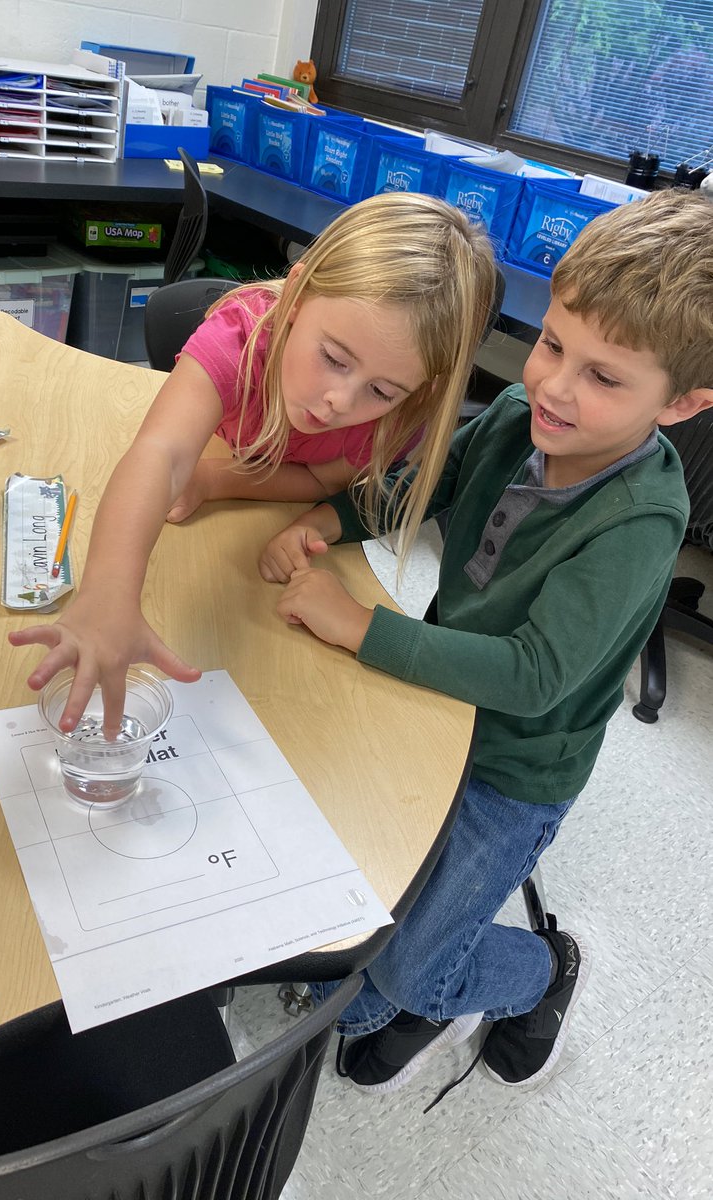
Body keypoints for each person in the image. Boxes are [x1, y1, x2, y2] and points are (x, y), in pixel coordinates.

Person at [260, 189, 713, 1097]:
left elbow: (534, 677)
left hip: (514, 767)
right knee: (366, 863)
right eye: (552, 344)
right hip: (434, 706)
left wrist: (363, 628)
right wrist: (330, 517)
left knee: (408, 973)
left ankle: (542, 974)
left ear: (683, 404)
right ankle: (381, 976)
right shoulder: (516, 415)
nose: (552, 385)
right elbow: (422, 485)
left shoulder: (640, 522)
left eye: (605, 377)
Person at [10, 192, 497, 735]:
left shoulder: (402, 414)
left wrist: (214, 479)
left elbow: (319, 481)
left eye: (380, 390)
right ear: (296, 294)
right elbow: (162, 452)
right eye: (333, 358)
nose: (341, 401)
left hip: (248, 497)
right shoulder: (240, 336)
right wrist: (107, 596)